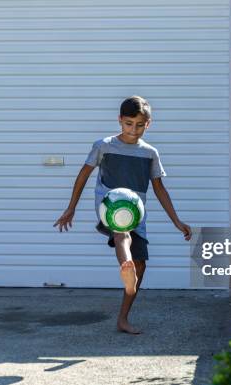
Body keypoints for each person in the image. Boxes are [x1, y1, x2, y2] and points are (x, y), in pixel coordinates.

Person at [53, 95, 191, 334]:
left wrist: (176, 221)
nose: (133, 130)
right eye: (128, 124)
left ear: (148, 124)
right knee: (122, 232)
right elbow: (83, 175)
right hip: (110, 202)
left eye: (139, 125)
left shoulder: (150, 153)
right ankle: (124, 264)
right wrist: (71, 207)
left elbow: (159, 188)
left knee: (142, 264)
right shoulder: (104, 145)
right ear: (120, 120)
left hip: (137, 210)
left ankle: (123, 317)